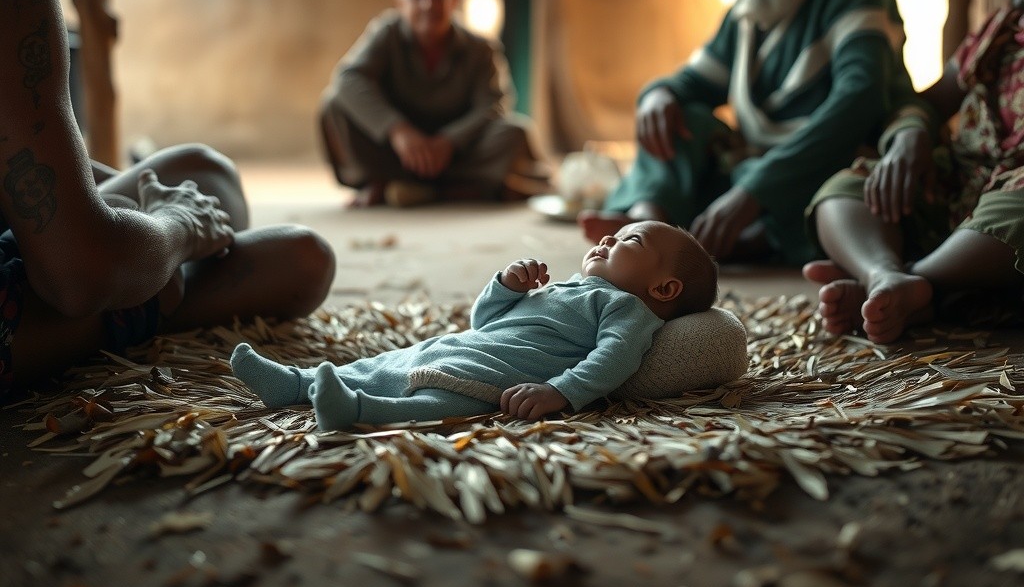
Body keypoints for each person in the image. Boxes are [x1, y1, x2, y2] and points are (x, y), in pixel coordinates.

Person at [0, 0, 336, 402]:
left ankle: (153, 266)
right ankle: (159, 283)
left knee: (201, 172)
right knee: (300, 260)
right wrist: (176, 234)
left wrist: (142, 213)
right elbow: (77, 275)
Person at [579, 0, 917, 266]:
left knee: (841, 188)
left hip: (825, 159)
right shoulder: (747, 12)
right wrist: (659, 94)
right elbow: (693, 84)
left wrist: (756, 191)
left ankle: (750, 236)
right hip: (757, 165)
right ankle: (649, 223)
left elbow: (860, 100)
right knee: (683, 117)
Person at [231, 219, 718, 430]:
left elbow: (614, 358)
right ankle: (294, 384)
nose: (609, 237)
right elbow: (485, 319)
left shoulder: (626, 311)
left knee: (437, 405)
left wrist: (561, 392)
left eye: (629, 241)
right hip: (468, 344)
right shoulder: (569, 287)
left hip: (496, 375)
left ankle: (356, 411)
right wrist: (507, 285)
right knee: (389, 361)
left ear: (664, 289)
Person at [803, 0, 1024, 343]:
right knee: (847, 188)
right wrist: (909, 136)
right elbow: (927, 102)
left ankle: (912, 281)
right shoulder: (998, 31)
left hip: (1007, 220)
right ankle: (887, 277)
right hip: (958, 195)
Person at [318, 0, 548, 207]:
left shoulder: (480, 48)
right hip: (398, 155)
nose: (428, 4)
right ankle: (387, 183)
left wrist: (449, 141)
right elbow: (348, 80)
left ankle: (424, 189)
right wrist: (398, 131)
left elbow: (494, 104)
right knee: (334, 106)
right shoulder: (386, 33)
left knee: (515, 131)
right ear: (399, 2)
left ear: (454, 0)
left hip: (458, 155)